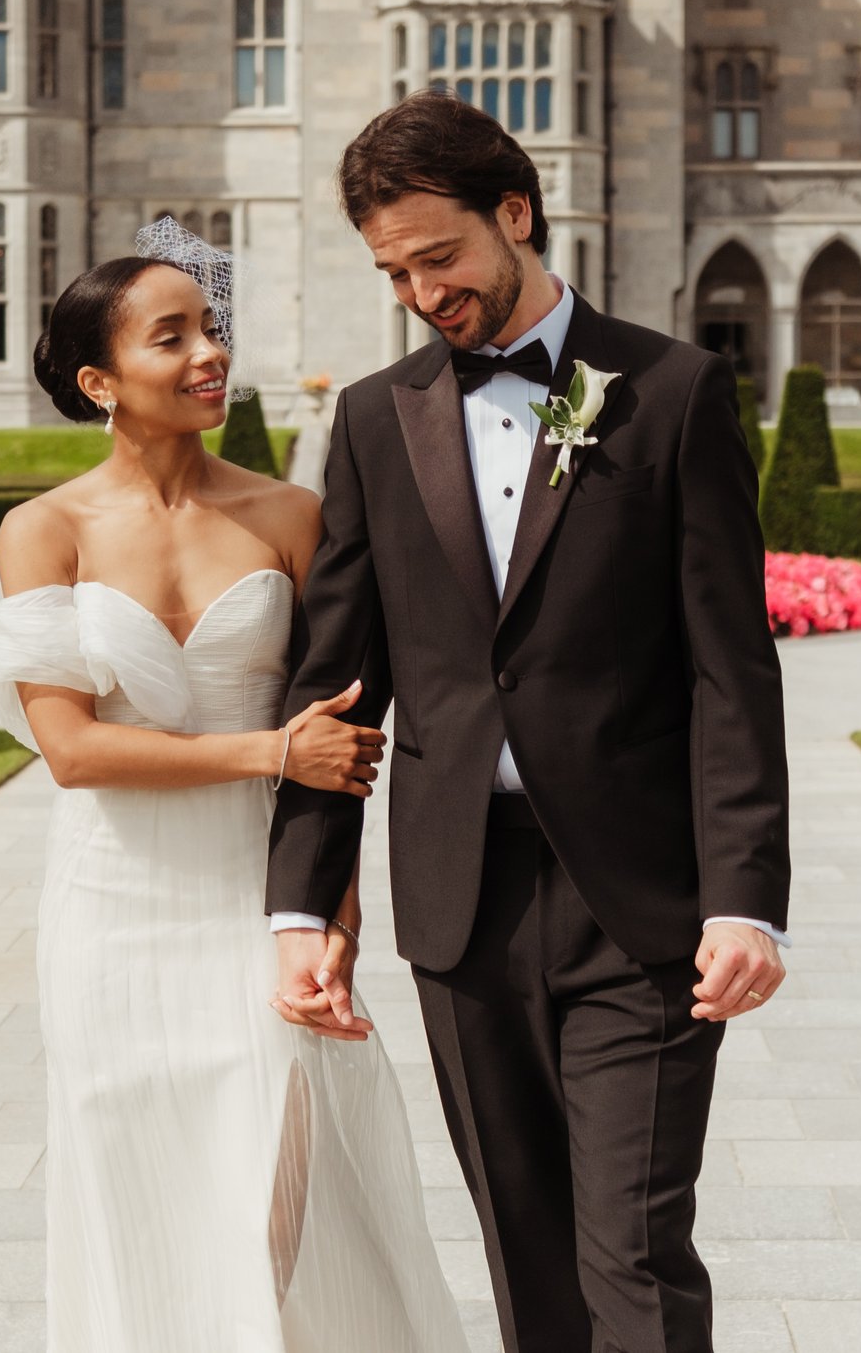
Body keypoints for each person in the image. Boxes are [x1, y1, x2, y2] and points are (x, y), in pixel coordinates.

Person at [267, 91, 792, 1352]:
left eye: (436, 256)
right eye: (390, 270)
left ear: (515, 213)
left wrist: (746, 897)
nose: (416, 292)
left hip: (640, 900)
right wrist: (302, 904)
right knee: (525, 1249)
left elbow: (731, 667)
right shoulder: (374, 420)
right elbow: (332, 684)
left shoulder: (669, 390)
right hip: (461, 902)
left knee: (635, 1250)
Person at [0, 221, 465, 1352]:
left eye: (211, 327)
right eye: (172, 336)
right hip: (111, 907)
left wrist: (333, 920)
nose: (209, 354)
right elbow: (74, 751)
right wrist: (267, 752)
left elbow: (339, 740)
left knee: (271, 1197)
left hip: (259, 896)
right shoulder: (42, 531)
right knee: (134, 1189)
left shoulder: (290, 516)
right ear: (99, 380)